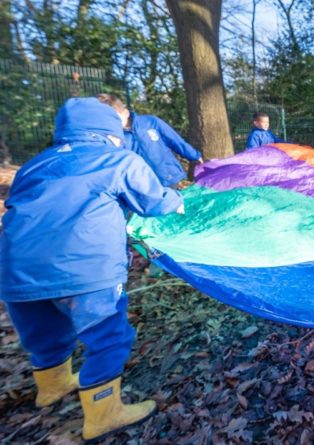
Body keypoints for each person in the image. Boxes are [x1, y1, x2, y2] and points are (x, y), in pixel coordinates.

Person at [0, 97, 185, 441]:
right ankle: (103, 413)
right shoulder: (118, 159)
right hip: (84, 269)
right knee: (107, 334)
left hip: (16, 271)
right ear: (110, 132)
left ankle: (52, 388)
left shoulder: (34, 165)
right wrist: (177, 202)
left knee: (45, 331)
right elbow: (153, 200)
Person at [96, 93, 202, 188]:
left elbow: (174, 139)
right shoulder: (113, 137)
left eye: (116, 118)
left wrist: (194, 155)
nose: (113, 123)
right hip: (143, 185)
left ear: (126, 113)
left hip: (168, 175)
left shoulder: (150, 122)